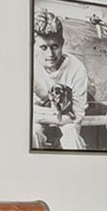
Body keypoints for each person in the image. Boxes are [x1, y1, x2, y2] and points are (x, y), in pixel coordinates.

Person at [32, 10, 90, 149]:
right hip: (47, 120)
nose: (50, 54)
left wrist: (39, 114)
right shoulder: (29, 65)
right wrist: (58, 115)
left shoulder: (77, 69)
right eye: (43, 47)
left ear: (62, 44)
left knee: (73, 140)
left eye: (54, 47)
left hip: (67, 123)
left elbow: (76, 117)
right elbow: (22, 112)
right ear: (33, 46)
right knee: (32, 134)